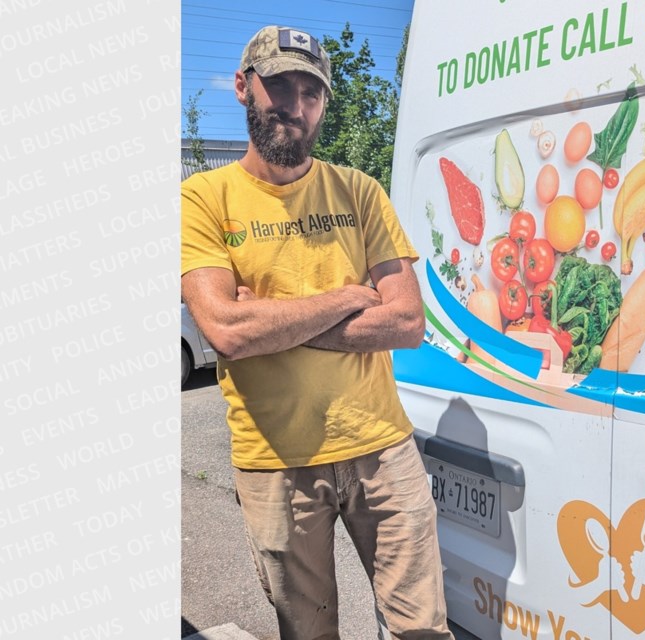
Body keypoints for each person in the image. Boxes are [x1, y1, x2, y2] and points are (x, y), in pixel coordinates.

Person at [180, 25, 454, 640]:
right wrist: (349, 298)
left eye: (311, 91)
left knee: (423, 629)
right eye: (279, 85)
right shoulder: (202, 198)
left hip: (383, 448)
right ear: (244, 87)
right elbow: (225, 329)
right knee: (307, 633)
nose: (295, 105)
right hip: (275, 461)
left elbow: (408, 322)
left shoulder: (359, 191)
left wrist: (272, 321)